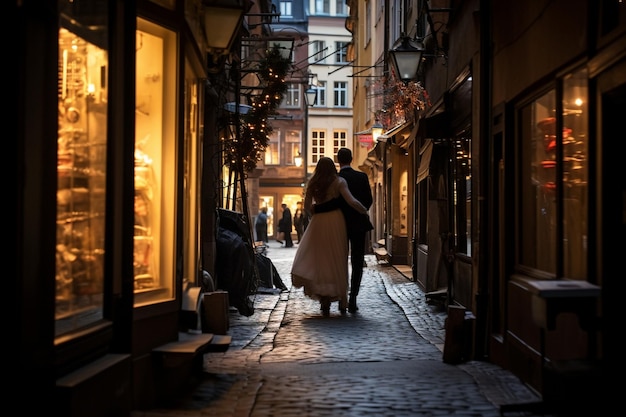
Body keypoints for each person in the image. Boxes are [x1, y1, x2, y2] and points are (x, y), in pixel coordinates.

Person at [291, 157, 370, 316]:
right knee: (338, 258)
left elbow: (307, 207)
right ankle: (342, 299)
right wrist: (363, 211)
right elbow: (351, 201)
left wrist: (315, 211)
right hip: (336, 221)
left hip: (318, 223)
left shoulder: (313, 183)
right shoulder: (339, 182)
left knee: (322, 259)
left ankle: (324, 300)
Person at [337, 147, 374, 313]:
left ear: (338, 160)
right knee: (357, 261)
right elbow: (368, 200)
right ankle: (353, 297)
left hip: (339, 223)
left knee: (340, 260)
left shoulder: (336, 178)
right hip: (358, 224)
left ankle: (341, 296)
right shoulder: (361, 176)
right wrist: (360, 211)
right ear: (351, 159)